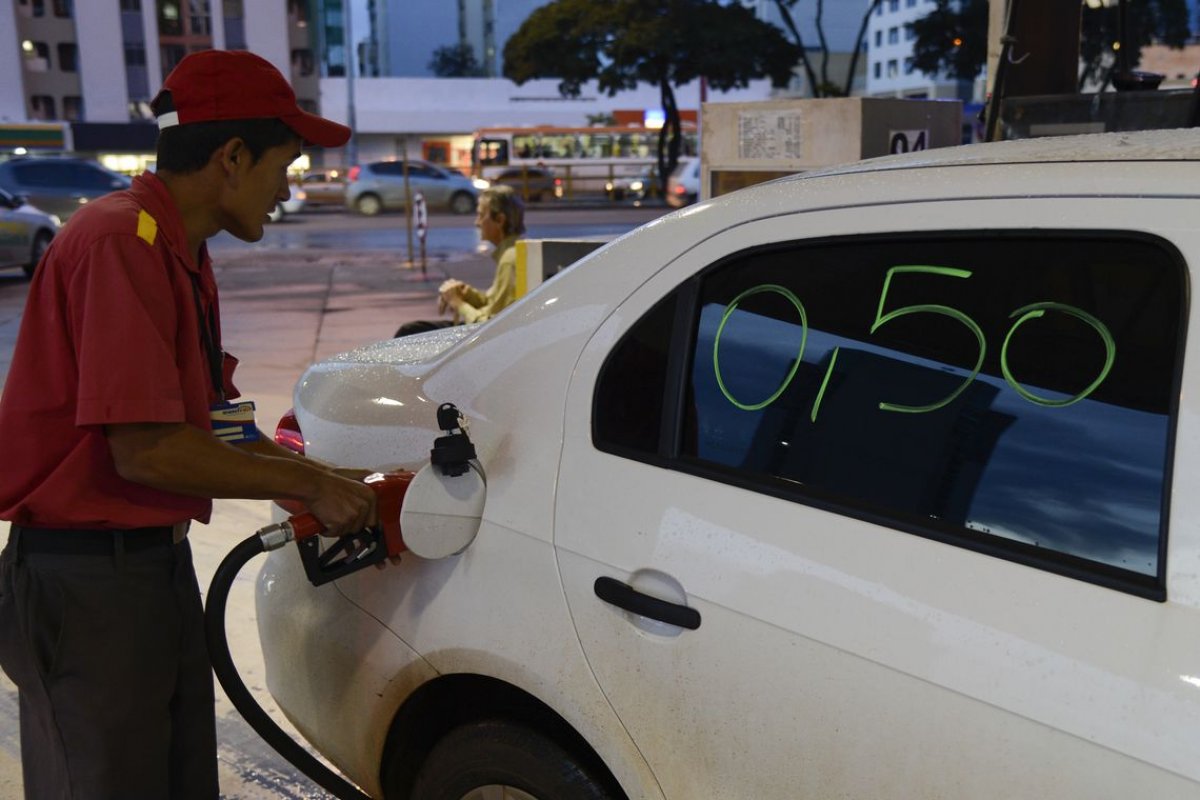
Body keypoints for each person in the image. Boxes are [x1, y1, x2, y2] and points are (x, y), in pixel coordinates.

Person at [0, 50, 377, 799]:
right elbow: (145, 451)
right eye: (286, 164)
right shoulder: (120, 242)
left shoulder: (179, 249)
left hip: (145, 570)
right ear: (233, 157)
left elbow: (213, 421)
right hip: (86, 584)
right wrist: (304, 482)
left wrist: (331, 480)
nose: (287, 189)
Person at [394, 184, 526, 337]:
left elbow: (490, 325)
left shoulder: (510, 259)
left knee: (410, 332)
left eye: (481, 215)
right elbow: (494, 303)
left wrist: (458, 303)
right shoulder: (511, 253)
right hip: (483, 327)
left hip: (484, 335)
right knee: (414, 330)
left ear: (500, 220)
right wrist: (467, 293)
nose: (477, 223)